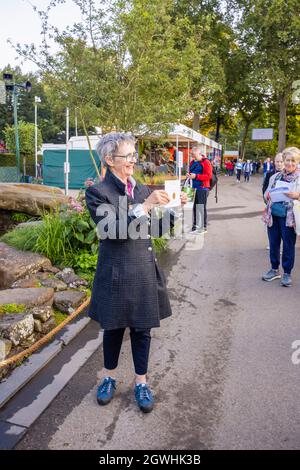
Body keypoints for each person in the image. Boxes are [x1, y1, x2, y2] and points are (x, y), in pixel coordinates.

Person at [85, 132, 187, 413]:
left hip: (143, 269)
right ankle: (109, 377)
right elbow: (113, 231)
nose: (133, 160)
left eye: (133, 155)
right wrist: (146, 206)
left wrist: (173, 211)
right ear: (109, 159)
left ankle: (141, 382)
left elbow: (154, 230)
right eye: (127, 156)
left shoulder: (140, 189)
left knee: (142, 329)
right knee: (113, 328)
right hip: (115, 272)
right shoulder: (98, 192)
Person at [262, 147, 300, 287]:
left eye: (293, 161)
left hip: (289, 218)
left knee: (289, 245)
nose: (289, 163)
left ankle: (287, 273)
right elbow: (266, 193)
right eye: (287, 160)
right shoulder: (275, 176)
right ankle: (274, 269)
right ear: (283, 161)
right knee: (273, 243)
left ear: (297, 162)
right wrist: (267, 196)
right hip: (274, 216)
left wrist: (297, 196)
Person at [187, 146, 212, 233]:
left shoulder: (206, 162)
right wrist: (189, 175)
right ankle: (195, 226)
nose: (192, 156)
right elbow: (191, 172)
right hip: (192, 188)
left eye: (193, 154)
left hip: (202, 188)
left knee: (201, 208)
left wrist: (196, 176)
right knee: (194, 208)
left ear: (199, 153)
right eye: (191, 154)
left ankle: (203, 227)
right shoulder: (192, 162)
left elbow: (209, 176)